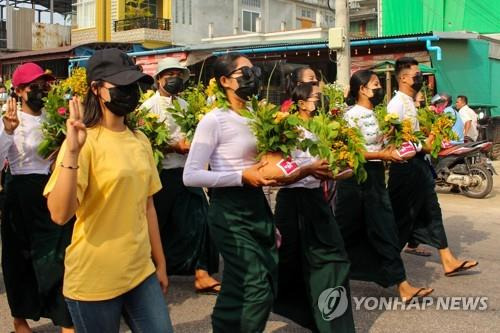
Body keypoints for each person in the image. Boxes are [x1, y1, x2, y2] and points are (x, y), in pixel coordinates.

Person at [183, 53, 327, 332]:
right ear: (224, 81)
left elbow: (267, 166)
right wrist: (240, 176)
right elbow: (191, 175)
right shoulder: (214, 120)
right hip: (229, 211)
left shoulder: (259, 117)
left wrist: (298, 171)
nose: (254, 77)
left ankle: (224, 326)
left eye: (254, 72)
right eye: (244, 73)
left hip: (256, 205)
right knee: (256, 285)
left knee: (256, 280)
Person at [43, 49, 173, 332]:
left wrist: (160, 263)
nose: (129, 92)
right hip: (94, 279)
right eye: (121, 85)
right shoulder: (83, 142)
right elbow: (59, 214)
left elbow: (147, 206)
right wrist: (73, 153)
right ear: (96, 89)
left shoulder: (140, 141)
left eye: (133, 85)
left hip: (141, 272)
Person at [335, 69, 434, 303]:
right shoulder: (351, 116)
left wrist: (395, 144)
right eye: (376, 84)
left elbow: (385, 144)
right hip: (355, 180)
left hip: (377, 178)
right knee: (343, 232)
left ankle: (402, 285)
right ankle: (323, 274)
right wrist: (381, 153)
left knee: (385, 229)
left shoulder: (379, 115)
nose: (379, 89)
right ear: (362, 89)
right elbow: (351, 151)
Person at [273, 82, 356, 332]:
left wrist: (340, 171)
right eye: (317, 97)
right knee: (290, 262)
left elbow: (328, 168)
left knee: (334, 258)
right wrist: (308, 170)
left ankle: (333, 322)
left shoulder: (320, 130)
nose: (321, 102)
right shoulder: (285, 129)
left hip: (315, 200)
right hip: (292, 201)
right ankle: (301, 311)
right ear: (300, 103)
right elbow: (279, 174)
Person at [387, 57, 478, 277]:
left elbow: (415, 136)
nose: (420, 78)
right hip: (406, 169)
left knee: (431, 212)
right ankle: (382, 264)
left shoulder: (410, 102)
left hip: (418, 166)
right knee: (400, 218)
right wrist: (426, 144)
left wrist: (433, 137)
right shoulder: (396, 104)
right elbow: (391, 139)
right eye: (417, 75)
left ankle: (447, 260)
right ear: (404, 78)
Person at [0, 63, 74, 333]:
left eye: (45, 85)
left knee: (59, 253)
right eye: (34, 86)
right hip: (20, 192)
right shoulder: (8, 120)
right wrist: (7, 132)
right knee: (20, 257)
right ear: (19, 91)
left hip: (51, 188)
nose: (41, 91)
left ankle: (65, 318)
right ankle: (20, 318)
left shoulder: (55, 117)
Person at [140, 57, 220, 294]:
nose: (174, 78)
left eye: (178, 74)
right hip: (161, 173)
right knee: (158, 224)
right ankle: (150, 271)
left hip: (186, 172)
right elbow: (145, 142)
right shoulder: (148, 108)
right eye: (169, 74)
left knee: (201, 220)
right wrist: (173, 147)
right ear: (159, 79)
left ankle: (202, 273)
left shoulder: (186, 106)